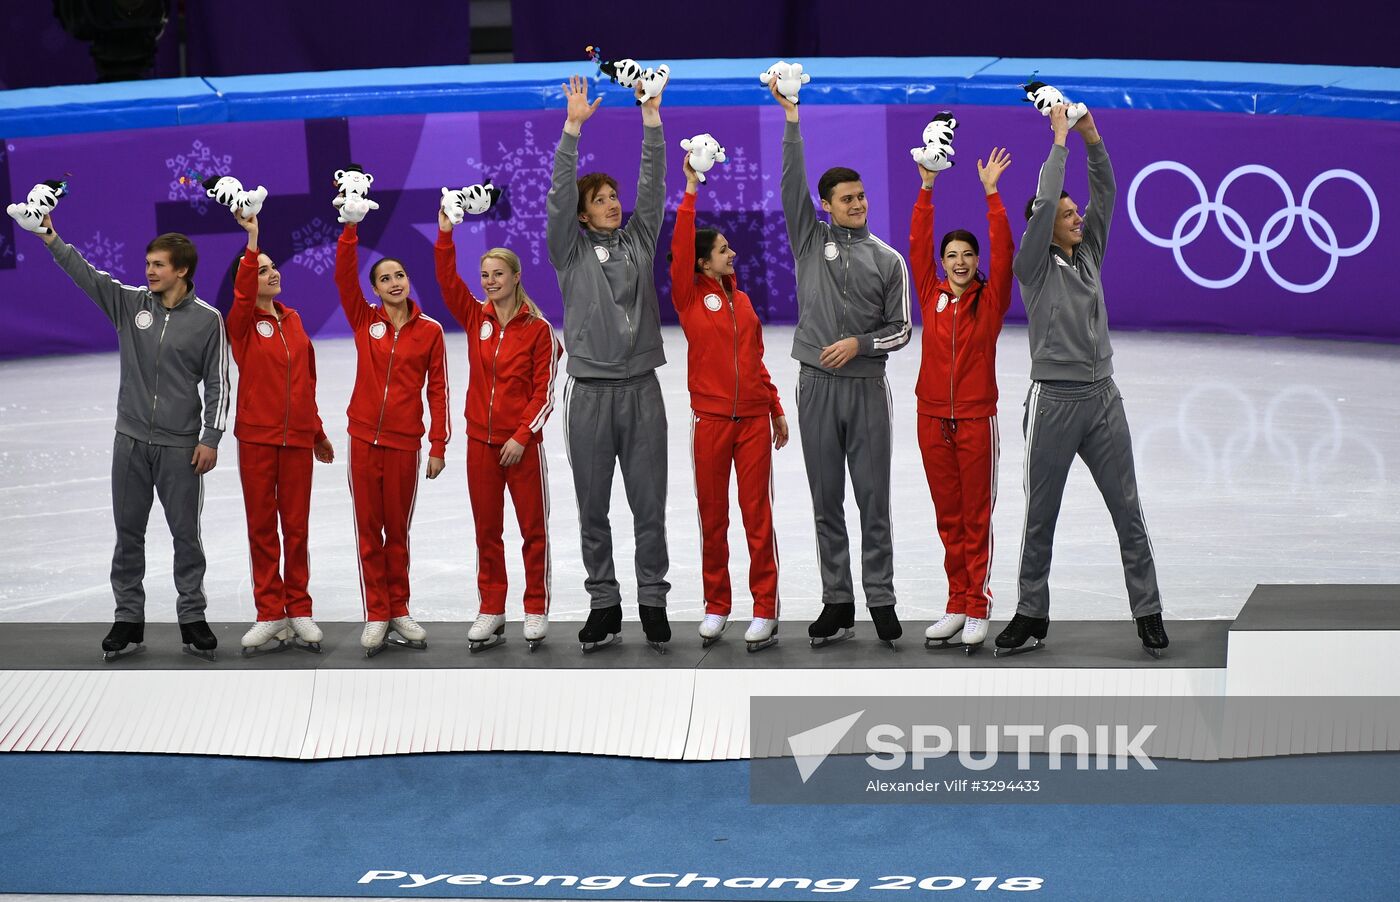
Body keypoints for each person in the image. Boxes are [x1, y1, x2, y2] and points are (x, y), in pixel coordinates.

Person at [1000, 104, 1169, 657]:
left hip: (1103, 400)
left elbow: (1109, 190)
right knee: (1040, 517)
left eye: (1077, 213)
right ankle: (1031, 614)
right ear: (1043, 227)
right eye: (1066, 214)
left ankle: (1148, 613)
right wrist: (1058, 142)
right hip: (1053, 403)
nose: (1077, 218)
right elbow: (1047, 200)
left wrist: (1092, 137)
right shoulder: (1033, 266)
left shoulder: (1089, 252)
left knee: (1129, 509)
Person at [33, 212, 228, 661]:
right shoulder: (130, 305)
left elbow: (219, 382)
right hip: (131, 443)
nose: (149, 272)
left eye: (159, 265)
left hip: (182, 447)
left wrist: (211, 437)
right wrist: (50, 237)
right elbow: (85, 274)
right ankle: (127, 619)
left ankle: (192, 618)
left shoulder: (207, 320)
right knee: (128, 535)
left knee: (186, 537)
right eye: (148, 264)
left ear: (181, 270)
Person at [770, 78, 912, 650]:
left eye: (862, 197)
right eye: (846, 199)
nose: (858, 205)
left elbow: (901, 329)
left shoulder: (888, 259)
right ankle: (838, 601)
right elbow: (789, 186)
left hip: (866, 390)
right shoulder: (810, 240)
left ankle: (881, 598)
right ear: (826, 206)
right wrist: (793, 123)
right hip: (816, 390)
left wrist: (861, 345)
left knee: (873, 500)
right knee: (826, 499)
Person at [547, 72, 672, 653]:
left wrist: (651, 118)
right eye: (599, 200)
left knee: (649, 506)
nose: (613, 203)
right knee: (592, 507)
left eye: (612, 196)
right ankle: (604, 601)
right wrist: (572, 128)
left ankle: (652, 599)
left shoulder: (640, 240)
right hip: (590, 394)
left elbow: (653, 186)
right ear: (582, 215)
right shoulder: (568, 251)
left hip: (642, 390)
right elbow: (556, 196)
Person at [671, 156, 790, 653]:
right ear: (701, 262)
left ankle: (765, 608)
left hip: (753, 423)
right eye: (722, 250)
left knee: (757, 515)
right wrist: (690, 192)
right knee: (713, 516)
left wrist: (776, 406)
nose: (732, 253)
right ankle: (717, 604)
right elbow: (679, 250)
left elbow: (755, 360)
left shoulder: (741, 301)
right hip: (712, 423)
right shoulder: (688, 297)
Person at [435, 210, 560, 653]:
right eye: (485, 275)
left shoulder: (539, 329)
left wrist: (522, 436)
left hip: (520, 448)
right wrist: (446, 232)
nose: (489, 281)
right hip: (479, 445)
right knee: (486, 531)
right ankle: (492, 607)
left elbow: (544, 392)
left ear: (516, 276)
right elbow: (448, 280)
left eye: (497, 274)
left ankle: (536, 606)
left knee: (533, 530)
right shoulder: (476, 318)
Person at [334, 196, 450, 657]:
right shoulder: (365, 321)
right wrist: (350, 231)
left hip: (405, 444)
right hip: (363, 439)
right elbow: (344, 278)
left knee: (397, 532)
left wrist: (437, 445)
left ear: (408, 281)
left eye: (399, 275)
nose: (394, 282)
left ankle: (399, 608)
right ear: (375, 290)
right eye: (384, 279)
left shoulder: (431, 331)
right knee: (369, 529)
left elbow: (438, 390)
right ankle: (377, 613)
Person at [910, 148, 1015, 654]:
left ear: (977, 263)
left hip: (975, 420)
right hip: (931, 418)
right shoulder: (929, 293)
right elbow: (915, 243)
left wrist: (991, 194)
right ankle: (956, 601)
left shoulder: (990, 303)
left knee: (977, 517)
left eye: (967, 255)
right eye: (950, 255)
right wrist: (927, 187)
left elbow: (1006, 248)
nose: (958, 261)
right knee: (947, 516)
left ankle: (978, 604)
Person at [227, 211, 335, 656]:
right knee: (262, 528)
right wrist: (252, 237)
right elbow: (242, 285)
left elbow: (305, 383)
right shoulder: (242, 324)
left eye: (274, 268)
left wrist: (317, 432)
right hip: (257, 438)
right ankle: (270, 612)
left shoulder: (293, 320)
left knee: (296, 527)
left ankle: (299, 608)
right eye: (263, 269)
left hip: (296, 441)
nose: (273, 273)